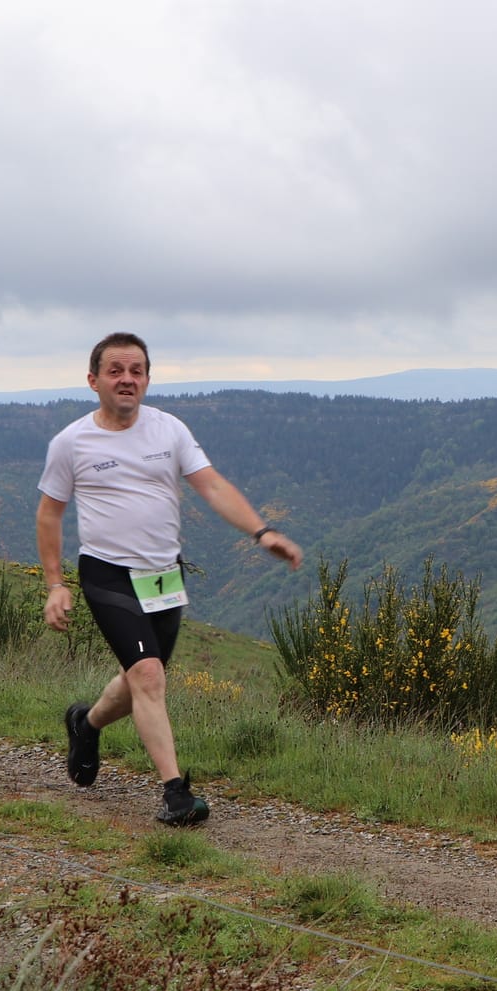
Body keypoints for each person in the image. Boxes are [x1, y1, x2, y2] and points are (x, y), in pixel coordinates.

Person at [37, 332, 303, 825]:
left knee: (142, 675)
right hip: (107, 573)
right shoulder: (71, 442)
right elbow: (49, 514)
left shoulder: (169, 430)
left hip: (163, 575)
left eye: (137, 370)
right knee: (148, 675)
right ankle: (175, 793)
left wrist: (261, 532)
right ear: (93, 380)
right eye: (116, 370)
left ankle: (86, 723)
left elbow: (213, 485)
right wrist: (56, 583)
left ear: (147, 379)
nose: (127, 379)